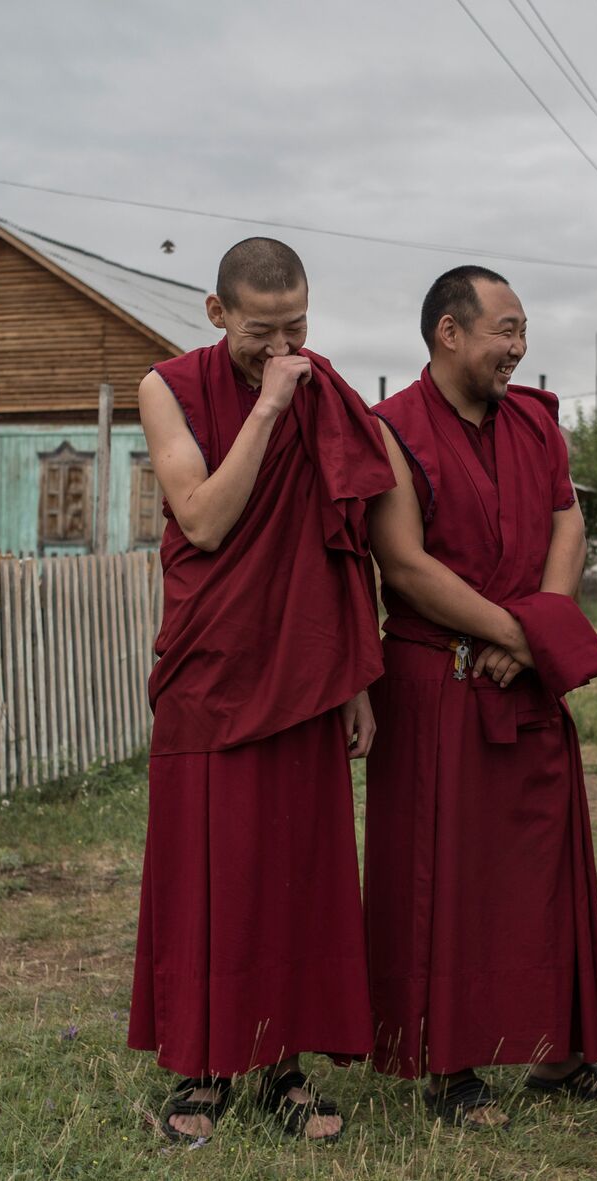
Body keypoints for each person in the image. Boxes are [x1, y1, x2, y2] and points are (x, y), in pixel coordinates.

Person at [126, 237, 395, 1144]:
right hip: (211, 666)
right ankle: (202, 1068)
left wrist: (358, 678)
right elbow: (202, 520)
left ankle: (285, 1063)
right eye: (258, 331)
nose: (279, 348)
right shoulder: (168, 386)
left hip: (308, 666)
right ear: (216, 313)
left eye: (296, 328)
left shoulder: (324, 390)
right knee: (209, 866)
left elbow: (343, 534)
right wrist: (270, 408)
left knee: (298, 868)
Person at [363, 266, 597, 1127]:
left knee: (547, 871)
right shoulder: (391, 431)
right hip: (435, 679)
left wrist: (534, 627)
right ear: (450, 333)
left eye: (523, 332)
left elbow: (567, 519)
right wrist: (515, 631)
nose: (519, 349)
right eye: (505, 330)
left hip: (522, 677)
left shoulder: (535, 424)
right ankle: (449, 1066)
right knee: (444, 876)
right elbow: (403, 561)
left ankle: (562, 1055)